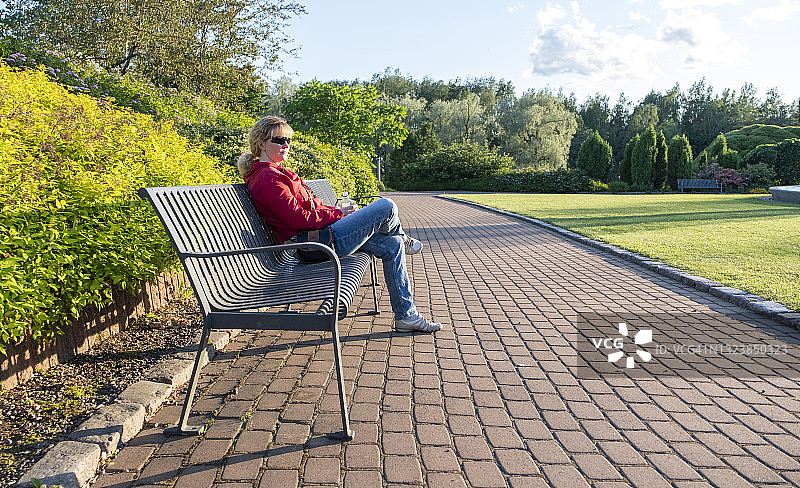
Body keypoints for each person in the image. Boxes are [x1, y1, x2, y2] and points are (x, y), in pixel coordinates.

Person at [237, 116, 441, 333]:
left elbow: (312, 208)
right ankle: (403, 236)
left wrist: (338, 214)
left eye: (288, 140)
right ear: (261, 143)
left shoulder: (278, 172)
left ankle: (406, 316)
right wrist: (338, 214)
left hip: (319, 236)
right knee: (386, 206)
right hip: (311, 245)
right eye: (279, 140)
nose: (286, 145)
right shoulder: (267, 178)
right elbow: (296, 218)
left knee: (392, 246)